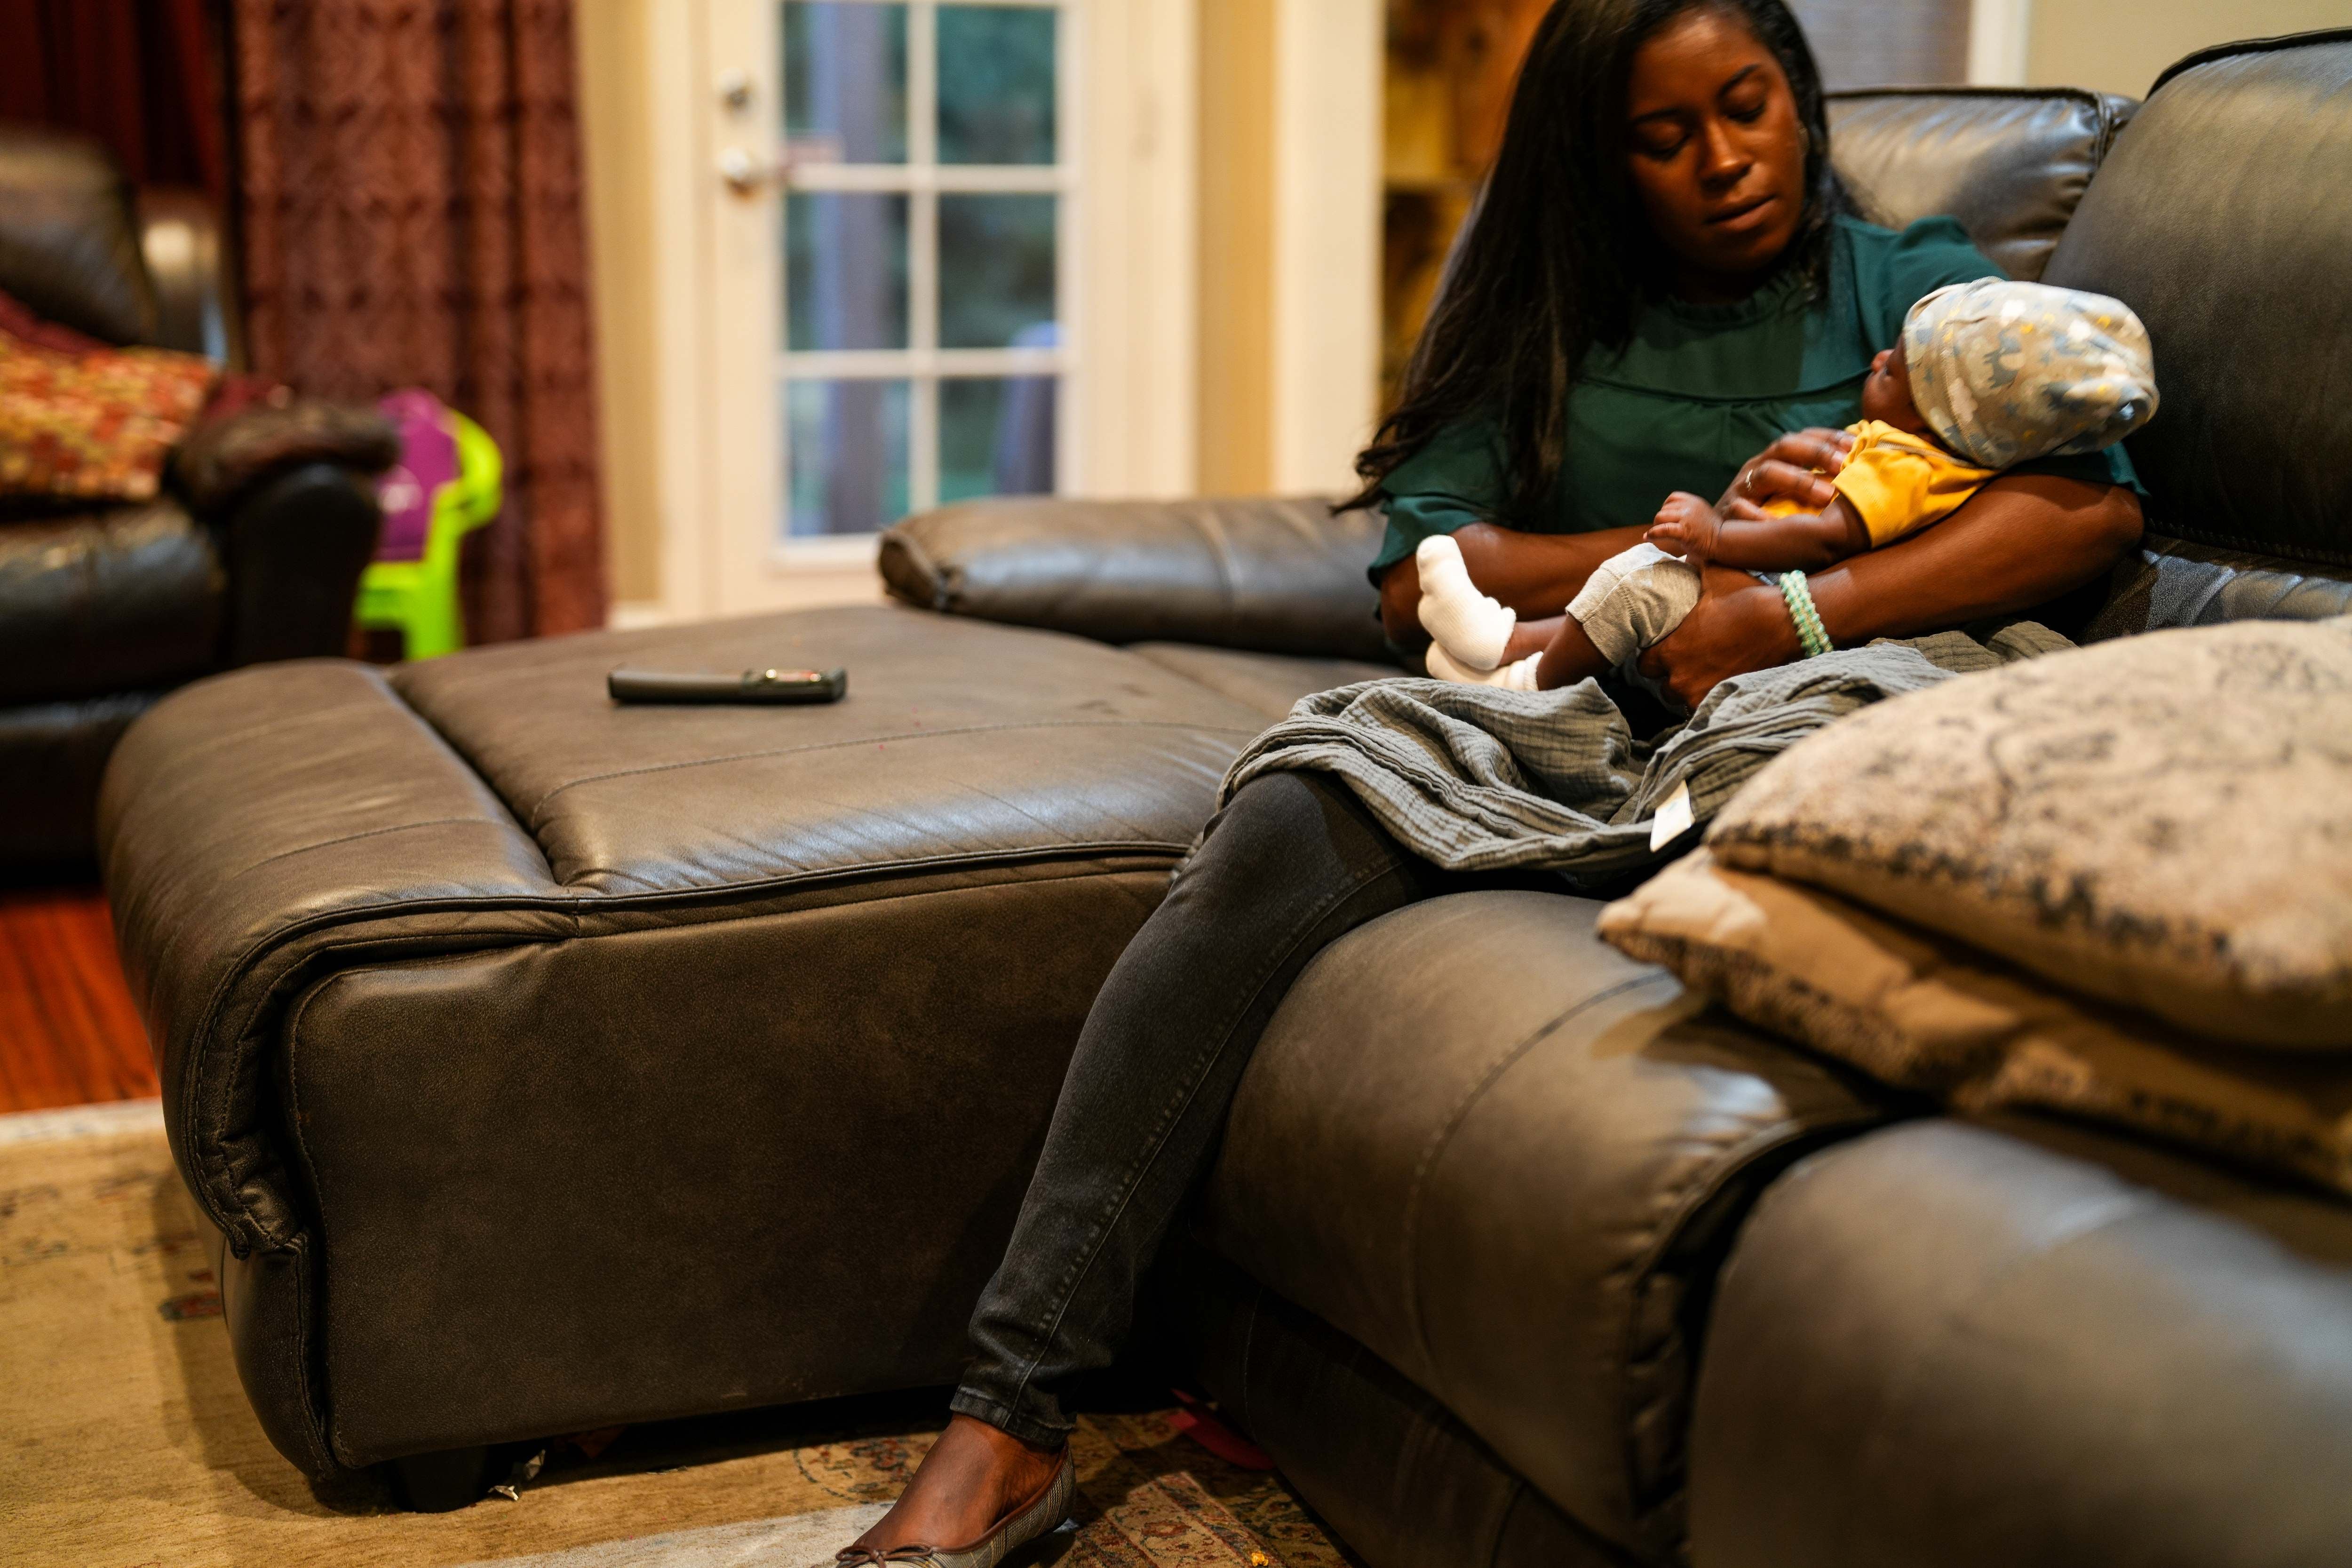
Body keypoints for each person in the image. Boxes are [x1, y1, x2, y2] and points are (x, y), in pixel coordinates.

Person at [836, 1, 2144, 1561]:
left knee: (1783, 816)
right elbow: (1429, 577)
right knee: (1293, 802)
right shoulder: (1548, 313)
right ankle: (1007, 1414)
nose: (1726, 160)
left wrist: (1787, 607)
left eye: (1748, 108)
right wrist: (1686, 539)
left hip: (1828, 696)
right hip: (1577, 705)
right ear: (1600, 159)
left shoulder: (1911, 286)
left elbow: (2087, 511)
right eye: (1665, 136)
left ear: (1800, 100)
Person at [1411, 277, 2161, 689]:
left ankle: (1523, 679)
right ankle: (1506, 643)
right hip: (1737, 572)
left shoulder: (1909, 460)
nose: (1877, 360)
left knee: (1637, 586)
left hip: (1763, 587)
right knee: (1633, 584)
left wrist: (1726, 547)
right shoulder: (1907, 446)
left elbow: (1828, 536)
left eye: (1896, 370)